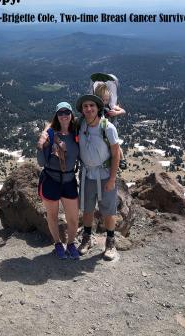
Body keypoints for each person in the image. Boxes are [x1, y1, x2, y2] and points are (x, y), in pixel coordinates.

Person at [75, 94, 120, 261]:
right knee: (87, 209)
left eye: (91, 106)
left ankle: (110, 242)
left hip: (105, 174)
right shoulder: (79, 124)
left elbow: (116, 155)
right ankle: (87, 238)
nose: (88, 109)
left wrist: (112, 179)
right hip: (87, 174)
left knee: (109, 210)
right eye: (85, 106)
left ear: (98, 108)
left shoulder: (107, 127)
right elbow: (58, 123)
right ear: (82, 109)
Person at [37, 102, 80, 260]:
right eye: (60, 112)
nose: (64, 115)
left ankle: (70, 243)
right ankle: (57, 243)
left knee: (73, 218)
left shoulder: (77, 133)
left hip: (68, 180)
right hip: (51, 179)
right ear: (56, 115)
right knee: (52, 215)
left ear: (71, 114)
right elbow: (41, 162)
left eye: (67, 112)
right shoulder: (49, 134)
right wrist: (42, 144)